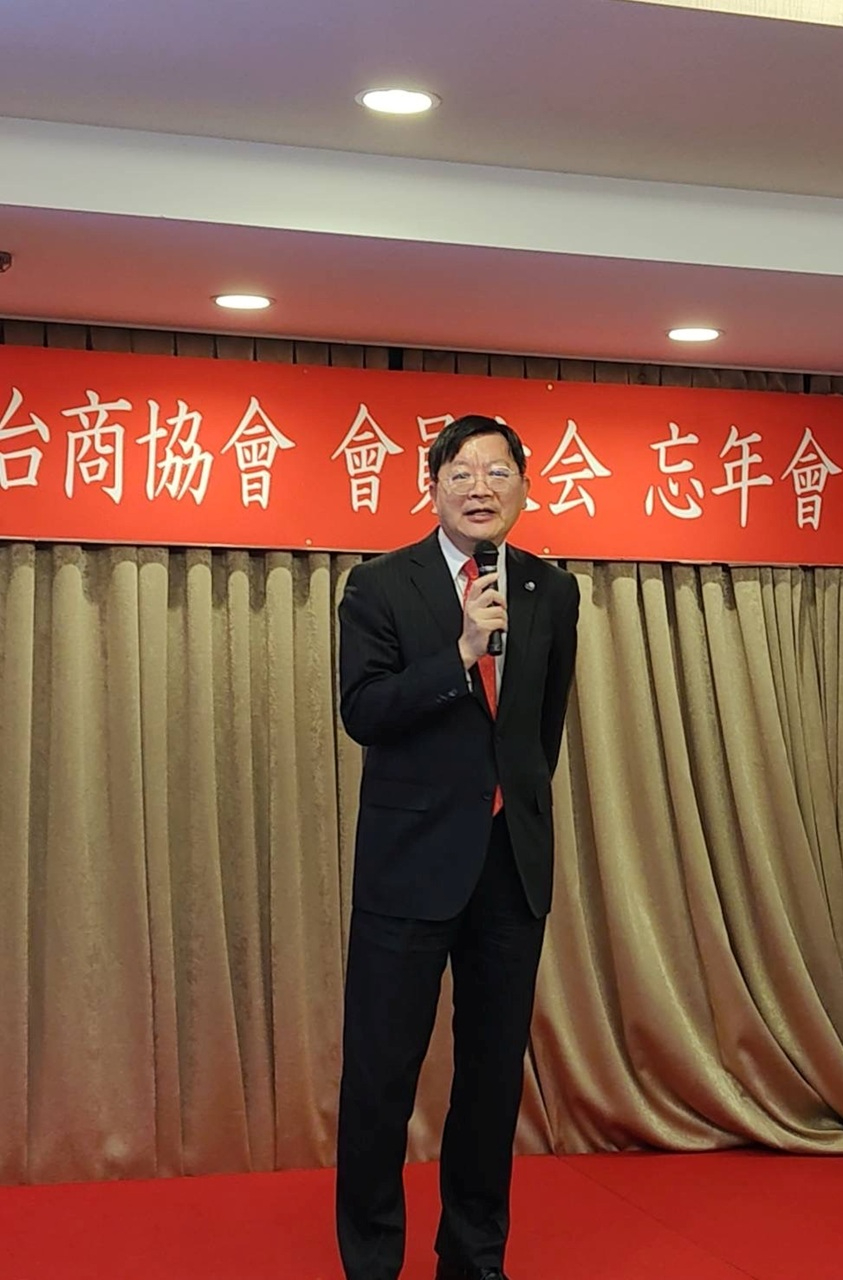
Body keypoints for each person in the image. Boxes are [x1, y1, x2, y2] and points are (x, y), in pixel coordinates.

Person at [335, 414, 580, 1280]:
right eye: (463, 473)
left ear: (525, 488)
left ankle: (473, 1259)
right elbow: (363, 711)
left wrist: (515, 809)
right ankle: (372, 1262)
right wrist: (461, 653)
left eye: (499, 473)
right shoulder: (379, 586)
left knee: (491, 1080)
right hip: (409, 868)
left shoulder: (552, 590)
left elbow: (540, 729)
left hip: (509, 866)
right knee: (380, 1078)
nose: (482, 488)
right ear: (432, 486)